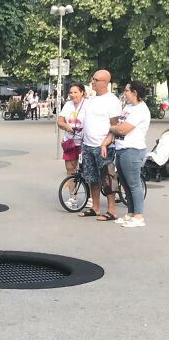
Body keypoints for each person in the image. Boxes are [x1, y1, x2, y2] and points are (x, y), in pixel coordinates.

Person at [78, 70, 122, 222]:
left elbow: (115, 126)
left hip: (103, 146)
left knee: (108, 177)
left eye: (96, 80)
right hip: (88, 144)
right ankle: (95, 207)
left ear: (105, 82)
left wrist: (106, 143)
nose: (93, 82)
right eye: (93, 79)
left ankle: (111, 210)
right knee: (92, 178)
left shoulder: (112, 101)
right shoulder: (91, 99)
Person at [109, 81, 151, 227]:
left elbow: (123, 129)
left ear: (135, 93)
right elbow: (119, 126)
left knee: (134, 184)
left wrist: (111, 127)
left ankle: (139, 216)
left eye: (126, 90)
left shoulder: (140, 110)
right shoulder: (128, 107)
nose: (124, 93)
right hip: (121, 148)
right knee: (125, 184)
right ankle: (131, 213)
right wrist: (116, 127)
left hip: (133, 149)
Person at [57, 82, 87, 206]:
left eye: (75, 92)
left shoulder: (88, 104)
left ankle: (90, 197)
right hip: (70, 141)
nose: (72, 95)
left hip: (85, 141)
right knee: (70, 169)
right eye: (70, 92)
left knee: (87, 170)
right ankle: (72, 196)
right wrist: (67, 127)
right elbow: (60, 121)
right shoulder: (68, 105)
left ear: (82, 92)